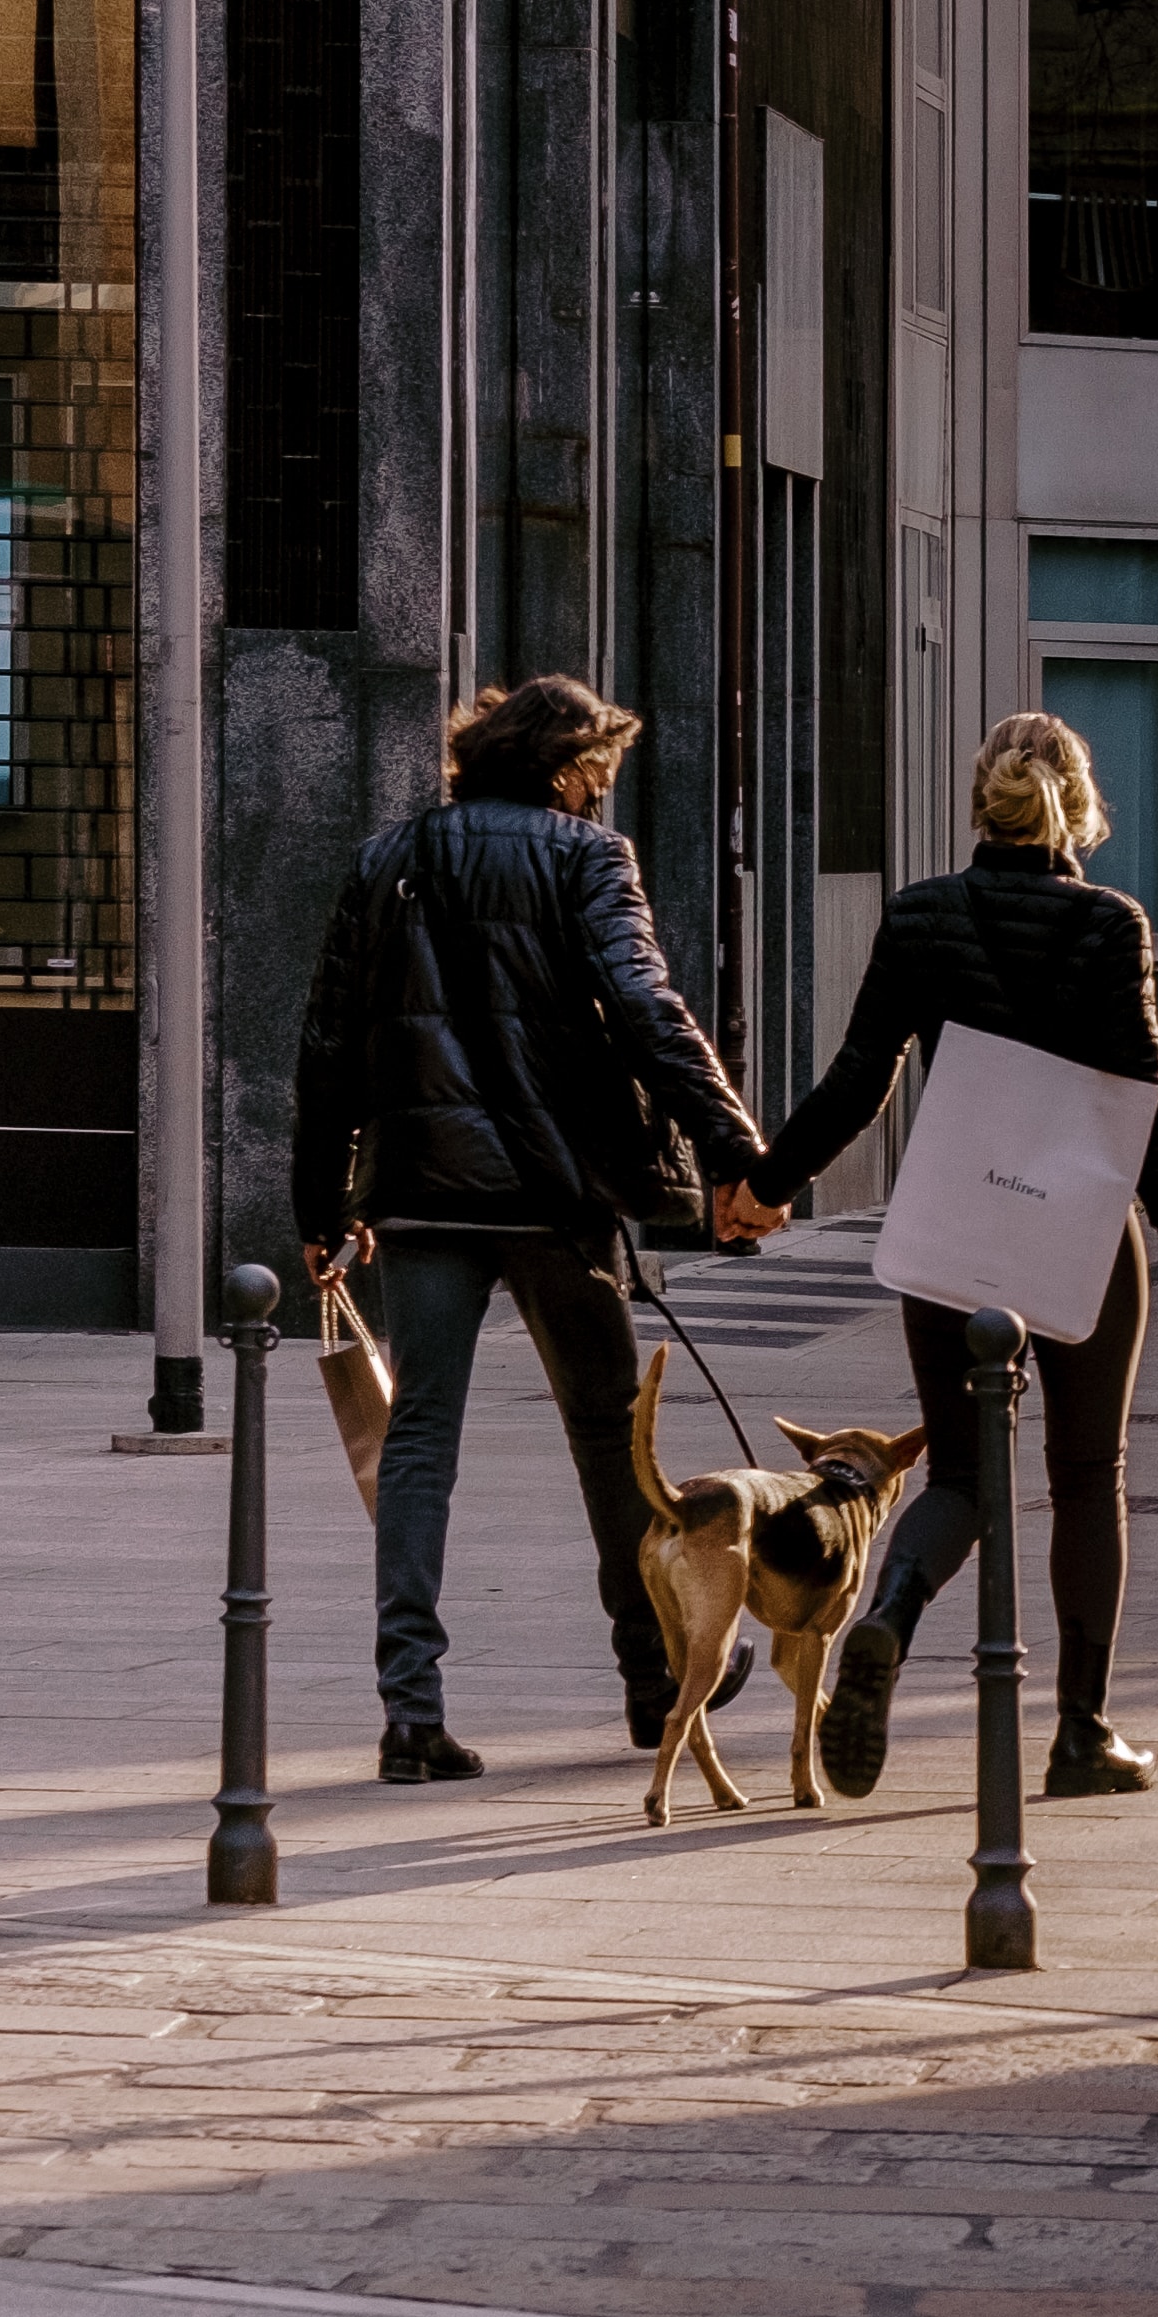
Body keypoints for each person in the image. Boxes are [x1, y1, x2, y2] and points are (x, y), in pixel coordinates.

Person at [290, 673, 784, 1786]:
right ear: (564, 764)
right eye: (599, 765)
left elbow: (328, 1043)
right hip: (555, 1194)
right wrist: (736, 1152)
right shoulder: (586, 857)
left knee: (416, 1438)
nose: (606, 785)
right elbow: (648, 1009)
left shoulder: (386, 857)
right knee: (610, 1436)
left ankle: (410, 1711)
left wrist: (321, 1207)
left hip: (419, 1187)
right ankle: (654, 1678)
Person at [740, 712, 1158, 1803]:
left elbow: (857, 1082)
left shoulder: (919, 916)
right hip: (1079, 1239)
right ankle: (1080, 1734)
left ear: (981, 802)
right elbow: (1142, 1109)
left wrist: (764, 1185)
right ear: (1080, 808)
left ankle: (889, 1616)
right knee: (1086, 1475)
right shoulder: (1108, 924)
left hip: (950, 1231)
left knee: (961, 1473)